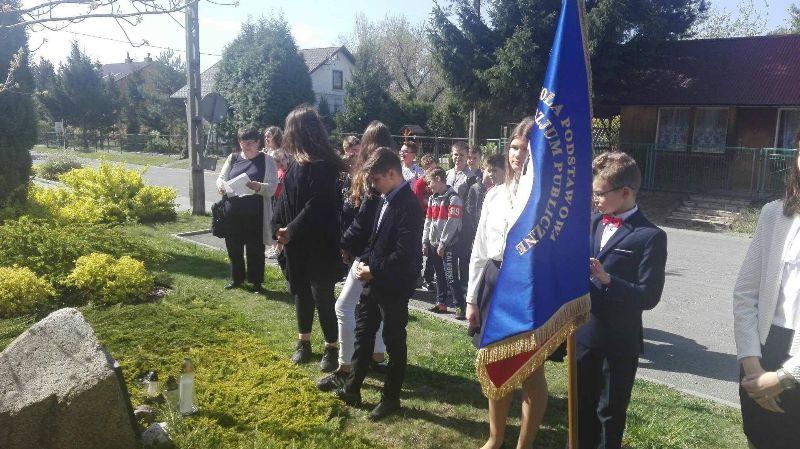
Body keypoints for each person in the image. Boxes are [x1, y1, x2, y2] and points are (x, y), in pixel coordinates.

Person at [466, 118, 549, 449]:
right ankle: (495, 438)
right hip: (494, 280)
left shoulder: (543, 200)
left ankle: (523, 445)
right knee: (495, 363)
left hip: (529, 288)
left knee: (531, 372)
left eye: (526, 149)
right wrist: (471, 298)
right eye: (514, 147)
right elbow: (479, 248)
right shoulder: (494, 195)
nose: (518, 154)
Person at [577, 151, 668, 449]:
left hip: (618, 341)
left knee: (610, 413)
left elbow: (649, 295)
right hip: (584, 335)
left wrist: (609, 281)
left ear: (625, 192)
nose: (595, 199)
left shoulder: (650, 236)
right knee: (580, 408)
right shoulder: (592, 222)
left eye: (600, 193)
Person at [335, 147, 425, 421]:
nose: (373, 186)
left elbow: (404, 253)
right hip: (373, 281)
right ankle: (352, 389)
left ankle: (391, 398)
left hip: (394, 285)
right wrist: (363, 261)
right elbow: (375, 240)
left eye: (376, 179)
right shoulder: (384, 198)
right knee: (363, 333)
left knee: (394, 342)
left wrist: (373, 270)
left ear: (392, 174)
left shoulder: (409, 205)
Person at [733, 132, 800, 449]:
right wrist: (752, 365)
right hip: (762, 352)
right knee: (760, 438)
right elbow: (745, 294)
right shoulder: (775, 214)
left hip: (794, 366)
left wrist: (786, 378)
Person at [316, 122, 391, 392]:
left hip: (367, 251)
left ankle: (345, 366)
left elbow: (364, 217)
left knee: (344, 306)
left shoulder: (373, 173)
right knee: (373, 306)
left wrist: (344, 242)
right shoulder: (387, 170)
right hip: (376, 250)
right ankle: (377, 356)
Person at [272, 106, 345, 372]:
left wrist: (291, 229)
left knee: (322, 294)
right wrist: (277, 225)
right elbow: (284, 199)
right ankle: (304, 342)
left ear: (300, 131)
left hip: (319, 243)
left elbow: (317, 205)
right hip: (297, 244)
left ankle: (331, 346)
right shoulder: (295, 163)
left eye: (289, 129)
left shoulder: (324, 166)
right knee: (301, 291)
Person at [215, 126, 279, 293]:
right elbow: (221, 177)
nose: (246, 146)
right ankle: (236, 279)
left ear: (258, 142)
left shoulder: (267, 160)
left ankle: (256, 282)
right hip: (232, 213)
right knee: (233, 248)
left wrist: (259, 186)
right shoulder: (233, 157)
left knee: (255, 249)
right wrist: (221, 185)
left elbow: (273, 187)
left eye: (250, 143)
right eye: (243, 142)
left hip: (255, 214)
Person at [423, 167, 466, 319]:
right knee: (439, 275)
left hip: (449, 245)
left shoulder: (453, 198)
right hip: (433, 243)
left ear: (438, 179)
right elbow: (428, 221)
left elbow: (452, 223)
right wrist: (425, 241)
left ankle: (460, 306)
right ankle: (441, 303)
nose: (428, 186)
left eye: (430, 182)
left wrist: (443, 243)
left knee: (451, 276)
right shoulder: (432, 198)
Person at [464, 154, 505, 257]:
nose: (491, 174)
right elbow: (472, 212)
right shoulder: (487, 191)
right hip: (484, 237)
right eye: (489, 171)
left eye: (494, 171)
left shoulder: (510, 191)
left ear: (505, 170)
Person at [414, 154, 438, 291]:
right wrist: (431, 202)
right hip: (423, 219)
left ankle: (428, 278)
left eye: (434, 168)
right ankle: (417, 275)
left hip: (436, 218)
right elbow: (419, 202)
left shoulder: (438, 181)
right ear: (424, 170)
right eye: (429, 169)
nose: (432, 172)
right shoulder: (420, 183)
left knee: (433, 249)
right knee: (421, 248)